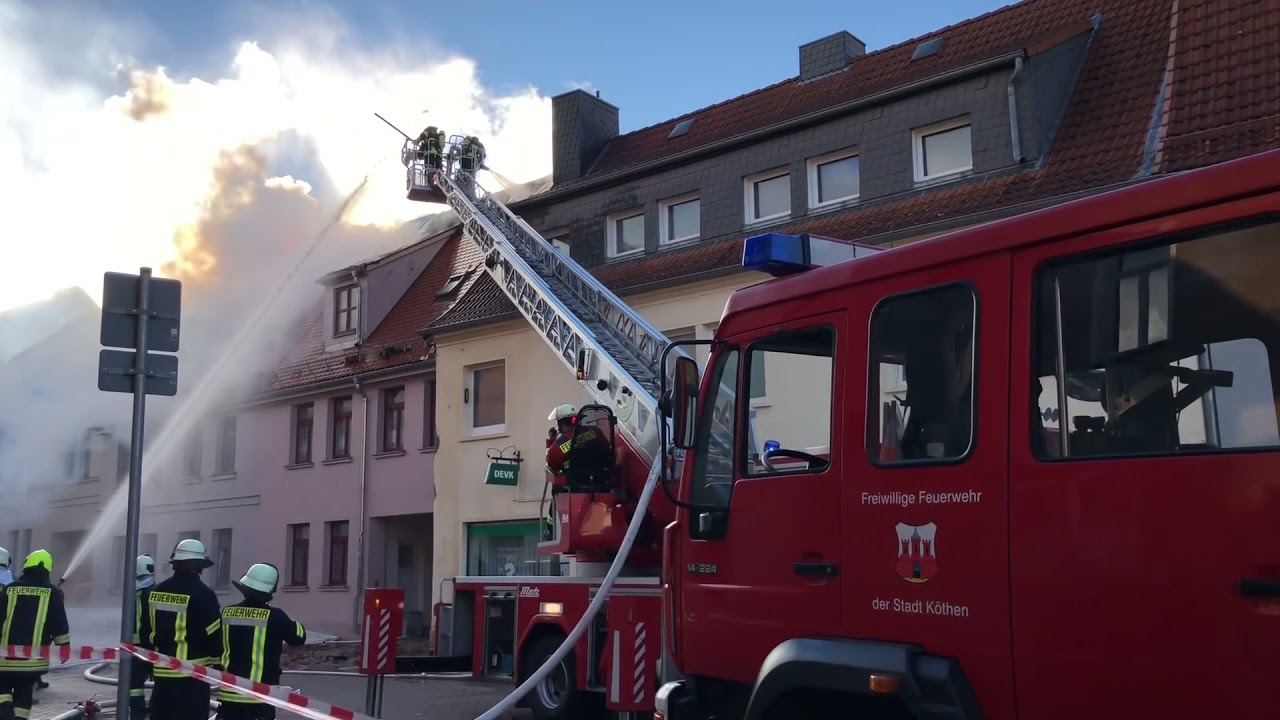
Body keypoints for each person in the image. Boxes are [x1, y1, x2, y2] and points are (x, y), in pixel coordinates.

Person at [138, 539, 222, 720]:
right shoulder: (204, 595)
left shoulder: (156, 592)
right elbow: (214, 636)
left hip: (161, 673)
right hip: (193, 676)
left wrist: (148, 663)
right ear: (200, 566)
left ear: (175, 564)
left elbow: (145, 630)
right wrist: (219, 666)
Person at [214, 563, 307, 719]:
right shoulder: (276, 616)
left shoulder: (227, 612)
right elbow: (298, 637)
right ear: (270, 591)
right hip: (260, 698)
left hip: (229, 695)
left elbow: (215, 642)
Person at [0, 550, 70, 720]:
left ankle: (5, 712)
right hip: (33, 662)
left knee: (2, 690)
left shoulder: (9, 590)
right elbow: (60, 625)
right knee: (24, 695)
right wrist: (64, 649)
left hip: (4, 659)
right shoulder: (52, 593)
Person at [542, 403, 613, 538]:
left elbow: (551, 465)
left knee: (556, 488)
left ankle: (551, 530)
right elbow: (607, 449)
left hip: (575, 484)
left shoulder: (558, 445)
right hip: (601, 481)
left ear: (561, 423)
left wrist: (550, 442)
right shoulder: (596, 432)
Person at [129, 554, 157, 719]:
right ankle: (152, 709)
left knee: (134, 685)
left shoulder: (131, 591)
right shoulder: (156, 591)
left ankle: (138, 712)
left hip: (134, 647)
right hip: (152, 646)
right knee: (160, 682)